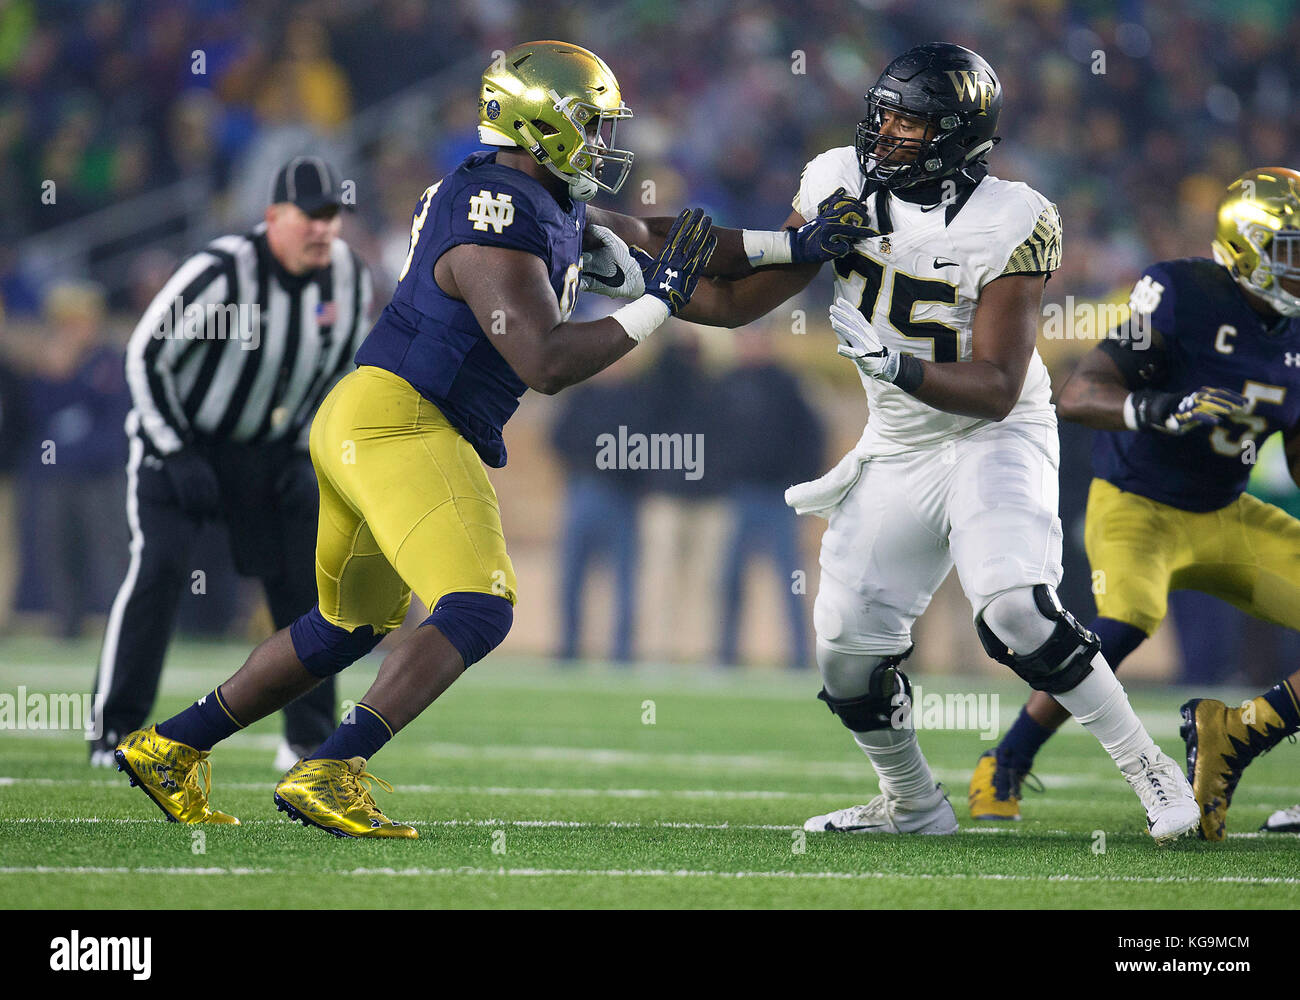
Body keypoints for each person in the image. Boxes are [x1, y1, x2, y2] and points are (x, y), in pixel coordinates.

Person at [111, 40, 720, 836]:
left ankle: (172, 745)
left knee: (344, 626)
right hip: (405, 419)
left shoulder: (542, 199)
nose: (603, 144)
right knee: (480, 605)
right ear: (542, 123)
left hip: (364, 415)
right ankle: (331, 768)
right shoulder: (499, 204)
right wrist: (658, 305)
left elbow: (675, 240)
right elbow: (544, 361)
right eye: (590, 125)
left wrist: (805, 246)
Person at [596, 42, 1200, 842]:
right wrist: (628, 256)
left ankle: (1150, 770)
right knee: (844, 654)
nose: (886, 132)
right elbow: (739, 297)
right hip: (901, 443)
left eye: (910, 122)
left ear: (959, 135)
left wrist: (897, 365)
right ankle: (912, 802)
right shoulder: (836, 178)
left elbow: (992, 387)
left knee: (1017, 610)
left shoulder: (1016, 217)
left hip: (996, 435)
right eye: (884, 112)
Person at [970, 167, 1300, 840]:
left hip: (1226, 514)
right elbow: (1079, 392)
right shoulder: (1185, 292)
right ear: (1248, 247)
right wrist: (1161, 409)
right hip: (1137, 503)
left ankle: (1238, 733)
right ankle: (1005, 760)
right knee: (1124, 623)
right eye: (1292, 250)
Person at [90, 157, 372, 769]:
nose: (324, 229)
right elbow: (145, 355)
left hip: (271, 452)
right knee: (160, 567)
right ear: (273, 217)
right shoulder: (222, 273)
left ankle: (306, 741)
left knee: (308, 583)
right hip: (183, 438)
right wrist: (176, 449)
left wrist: (306, 451)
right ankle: (113, 735)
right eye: (311, 217)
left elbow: (345, 376)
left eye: (332, 217)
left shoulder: (348, 277)